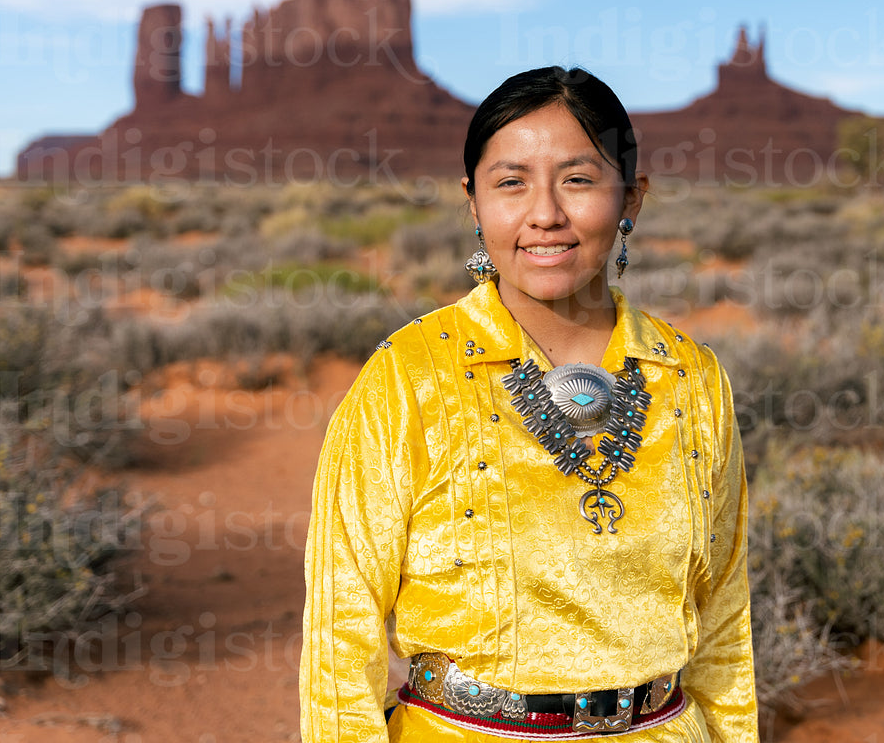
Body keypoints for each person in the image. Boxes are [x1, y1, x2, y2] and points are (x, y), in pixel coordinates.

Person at [300, 67, 758, 743]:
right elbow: (341, 634)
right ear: (473, 203)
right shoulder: (407, 378)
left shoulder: (693, 379)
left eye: (578, 180)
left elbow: (724, 619)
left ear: (631, 198)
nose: (545, 213)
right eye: (511, 182)